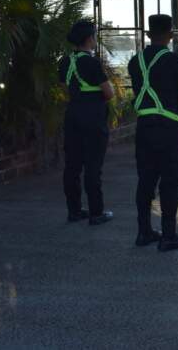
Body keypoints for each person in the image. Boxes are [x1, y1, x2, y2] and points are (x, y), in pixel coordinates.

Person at [128, 14, 178, 251]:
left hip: (145, 127)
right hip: (170, 128)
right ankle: (168, 235)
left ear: (148, 34)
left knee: (145, 180)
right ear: (171, 34)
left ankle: (144, 231)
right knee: (170, 182)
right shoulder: (174, 61)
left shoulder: (135, 61)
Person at [58, 21, 115, 225]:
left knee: (72, 165)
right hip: (93, 116)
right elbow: (108, 93)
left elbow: (65, 88)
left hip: (73, 114)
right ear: (89, 38)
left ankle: (74, 211)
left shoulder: (65, 62)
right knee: (93, 165)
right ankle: (96, 212)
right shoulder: (92, 63)